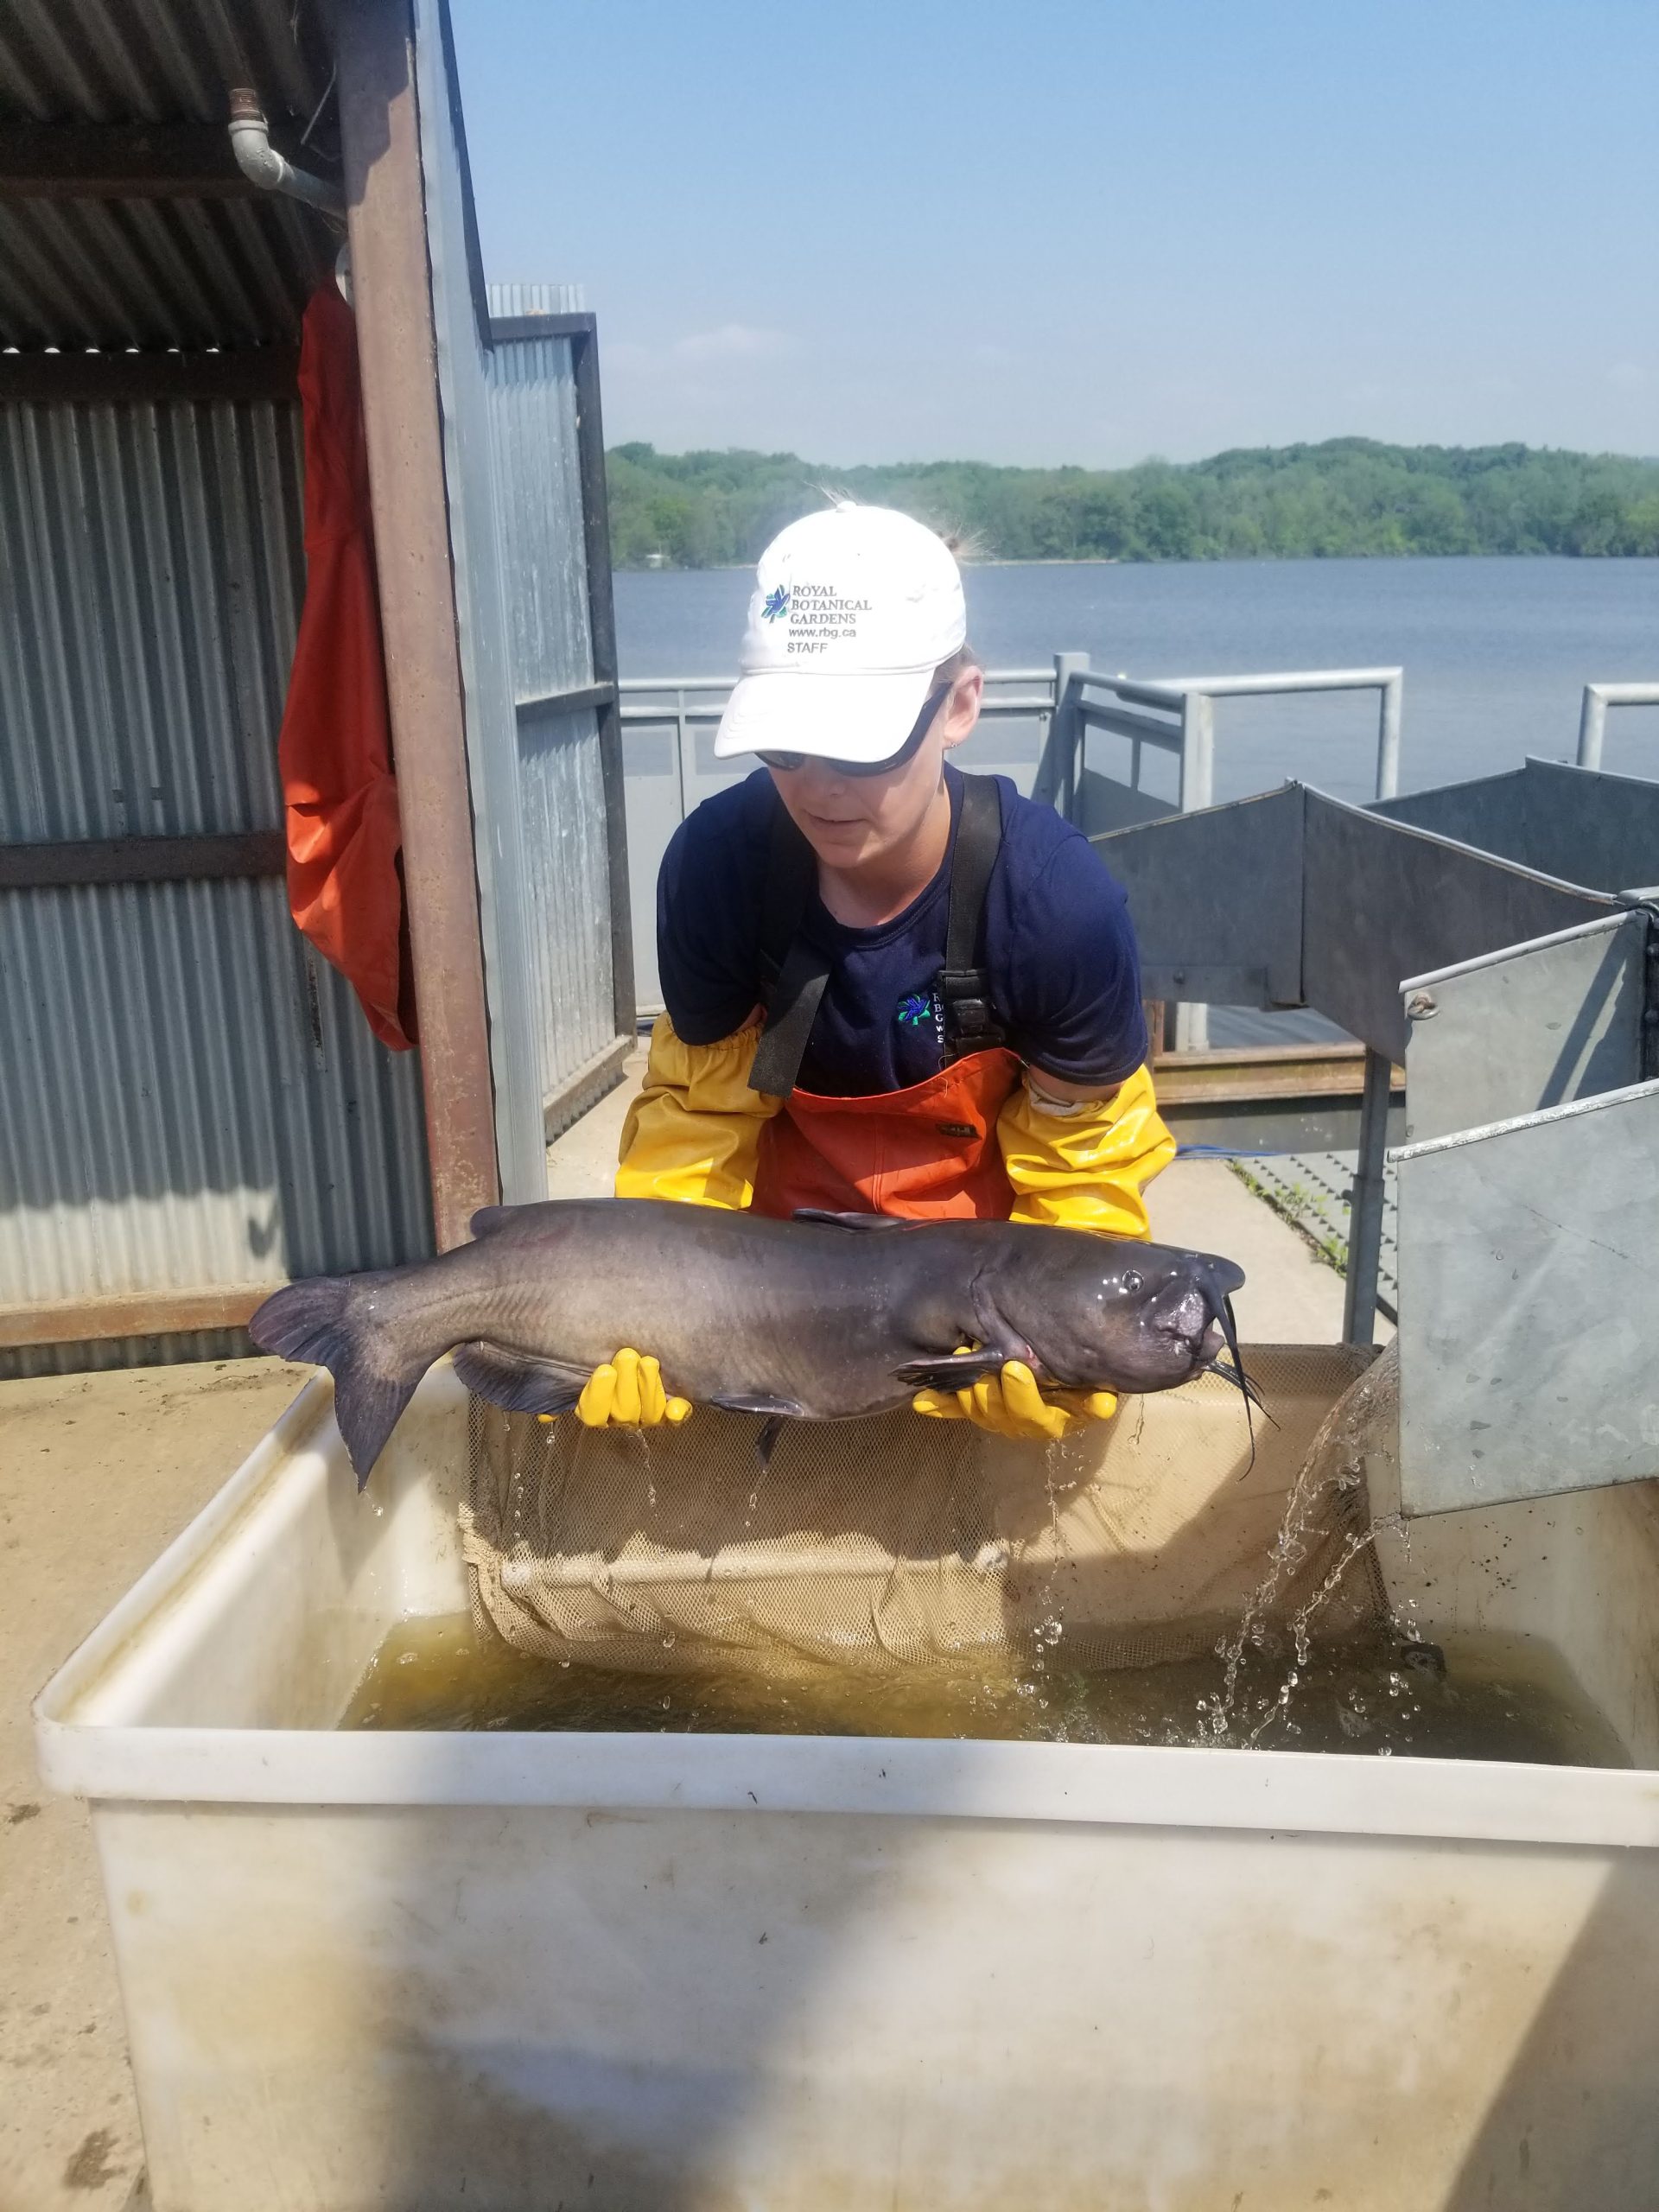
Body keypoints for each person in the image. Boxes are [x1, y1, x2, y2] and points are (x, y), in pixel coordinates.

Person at [575, 501, 1175, 1440]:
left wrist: (1065, 1346)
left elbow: (1082, 1166)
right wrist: (646, 1314)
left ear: (960, 706)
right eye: (786, 742)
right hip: (768, 1312)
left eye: (860, 742)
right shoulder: (719, 872)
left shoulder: (1056, 909)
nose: (819, 784)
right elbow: (696, 1124)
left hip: (979, 1317)